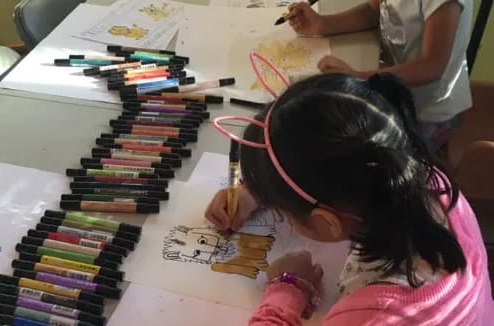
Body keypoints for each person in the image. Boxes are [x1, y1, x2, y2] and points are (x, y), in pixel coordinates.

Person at [205, 73, 493, 325]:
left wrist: (286, 290)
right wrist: (260, 189)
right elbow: (331, 160)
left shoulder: (376, 317)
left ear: (328, 223)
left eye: (285, 211)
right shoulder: (426, 182)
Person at [287, 0, 472, 149]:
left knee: (355, 156)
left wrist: (358, 77)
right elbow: (373, 10)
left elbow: (432, 66)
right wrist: (323, 24)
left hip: (427, 112)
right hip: (393, 93)